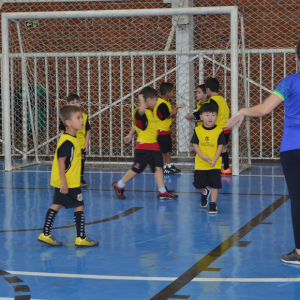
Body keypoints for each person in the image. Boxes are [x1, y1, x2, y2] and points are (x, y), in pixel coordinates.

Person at [227, 41, 300, 265]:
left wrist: (242, 111)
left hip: (292, 149)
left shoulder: (290, 81)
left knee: (298, 199)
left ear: (297, 57)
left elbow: (265, 109)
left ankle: (299, 253)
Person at [38, 106, 98, 247]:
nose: (82, 120)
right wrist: (64, 183)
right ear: (68, 122)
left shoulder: (71, 138)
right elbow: (61, 162)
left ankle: (45, 234)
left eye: (81, 117)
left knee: (57, 204)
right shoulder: (68, 142)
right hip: (69, 182)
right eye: (78, 118)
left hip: (63, 181)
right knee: (80, 206)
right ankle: (81, 237)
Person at [112, 86, 178, 200]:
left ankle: (162, 192)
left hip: (154, 146)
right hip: (144, 147)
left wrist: (130, 134)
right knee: (137, 168)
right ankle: (119, 185)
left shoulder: (148, 112)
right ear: (148, 100)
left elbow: (137, 125)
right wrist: (142, 100)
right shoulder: (139, 110)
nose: (156, 101)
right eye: (155, 99)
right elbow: (139, 115)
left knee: (158, 167)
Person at [191, 103, 226, 214]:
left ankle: (213, 204)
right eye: (207, 115)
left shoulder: (219, 130)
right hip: (201, 163)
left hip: (214, 164)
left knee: (215, 184)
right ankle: (205, 192)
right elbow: (195, 144)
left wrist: (215, 159)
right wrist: (201, 156)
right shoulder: (198, 130)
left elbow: (220, 146)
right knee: (198, 184)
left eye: (213, 115)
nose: (210, 118)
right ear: (201, 117)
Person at [153, 82, 186, 175]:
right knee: (163, 150)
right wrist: (176, 107)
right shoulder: (161, 104)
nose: (174, 92)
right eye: (172, 91)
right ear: (167, 93)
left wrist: (174, 110)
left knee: (168, 149)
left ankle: (169, 165)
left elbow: (170, 114)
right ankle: (163, 167)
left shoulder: (166, 102)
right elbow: (167, 116)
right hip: (160, 130)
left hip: (166, 130)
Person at [59, 94, 91, 187]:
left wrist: (86, 143)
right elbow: (62, 131)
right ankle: (66, 179)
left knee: (80, 162)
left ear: (80, 104)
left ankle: (80, 180)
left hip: (80, 145)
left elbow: (88, 130)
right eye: (72, 102)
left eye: (77, 102)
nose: (75, 104)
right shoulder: (66, 117)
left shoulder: (84, 117)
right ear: (68, 104)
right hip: (69, 144)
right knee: (68, 161)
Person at [205, 78, 231, 175]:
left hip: (218, 129)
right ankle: (226, 168)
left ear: (208, 89)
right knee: (223, 149)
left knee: (213, 149)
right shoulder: (222, 99)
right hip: (226, 128)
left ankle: (214, 167)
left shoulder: (213, 100)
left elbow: (212, 115)